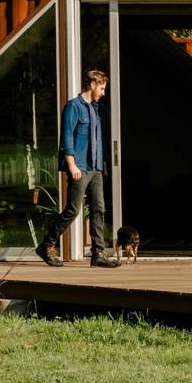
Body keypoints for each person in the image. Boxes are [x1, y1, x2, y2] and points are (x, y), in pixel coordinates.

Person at [37, 69, 120, 268]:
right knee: (73, 210)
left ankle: (97, 253)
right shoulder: (73, 107)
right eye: (101, 88)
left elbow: (101, 139)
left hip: (96, 167)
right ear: (92, 85)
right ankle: (46, 245)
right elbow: (66, 137)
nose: (103, 92)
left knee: (98, 208)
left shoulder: (100, 110)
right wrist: (71, 164)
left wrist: (104, 163)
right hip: (79, 167)